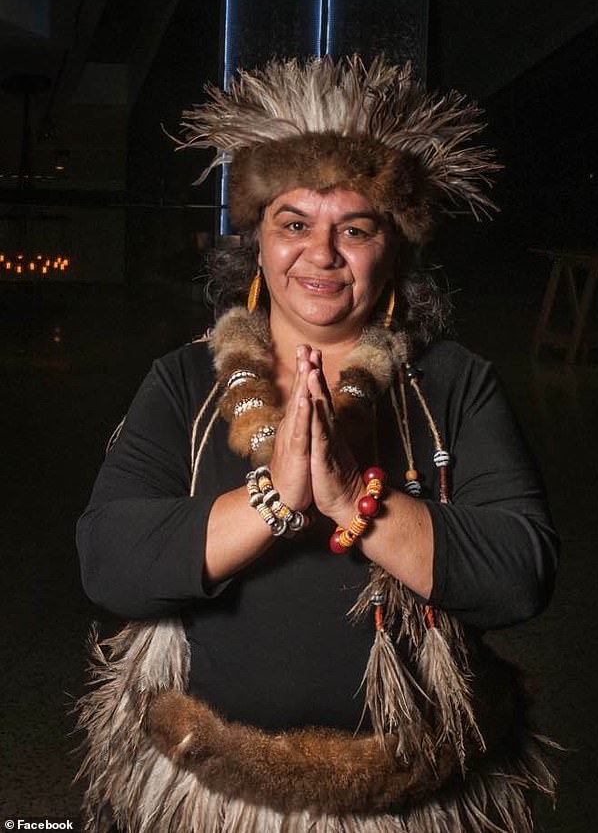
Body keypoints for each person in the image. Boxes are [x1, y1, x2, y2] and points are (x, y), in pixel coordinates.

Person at [75, 55, 559, 833]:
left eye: (355, 228)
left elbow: (521, 571)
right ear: (259, 248)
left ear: (393, 248)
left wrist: (352, 503)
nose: (322, 254)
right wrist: (275, 499)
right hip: (213, 794)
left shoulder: (456, 384)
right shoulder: (181, 382)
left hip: (412, 797)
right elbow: (109, 560)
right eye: (293, 224)